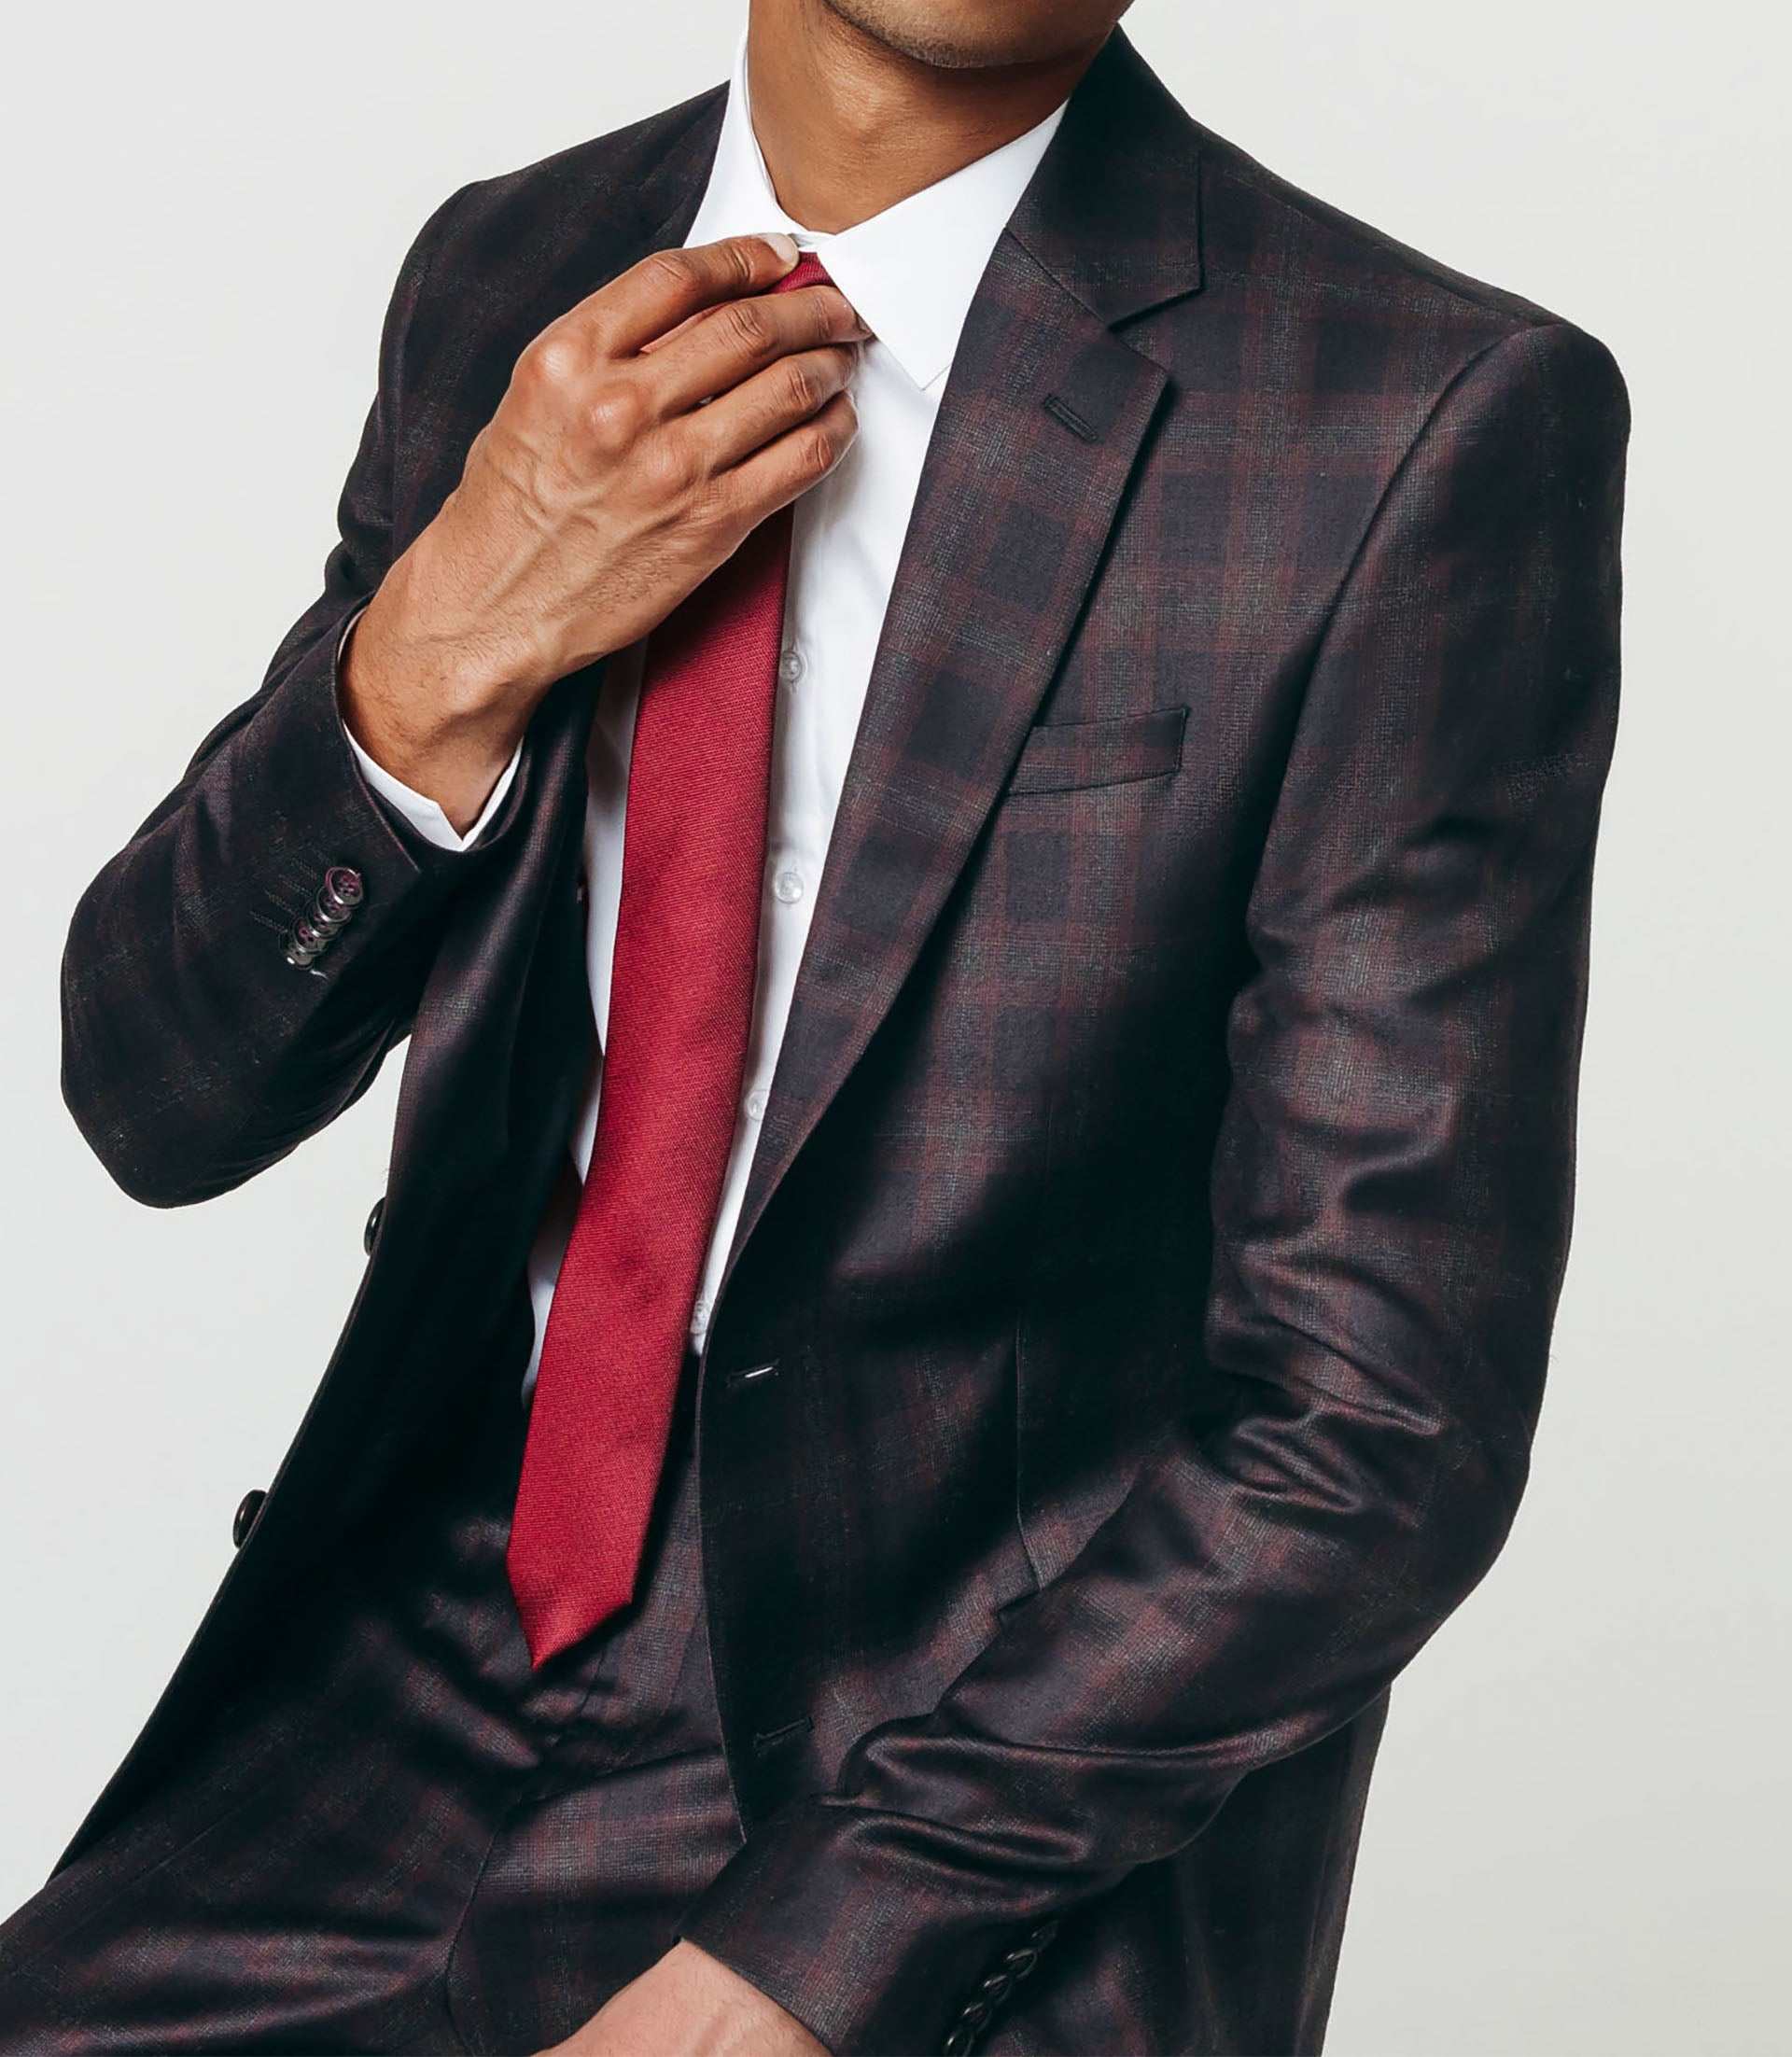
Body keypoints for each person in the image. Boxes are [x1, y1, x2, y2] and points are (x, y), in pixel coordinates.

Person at [0, 0, 1629, 2050]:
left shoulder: (1415, 417)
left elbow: (1379, 1421)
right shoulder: (518, 273)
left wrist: (817, 1957)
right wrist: (442, 641)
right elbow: (157, 1092)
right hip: (406, 1669)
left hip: (958, 1759)